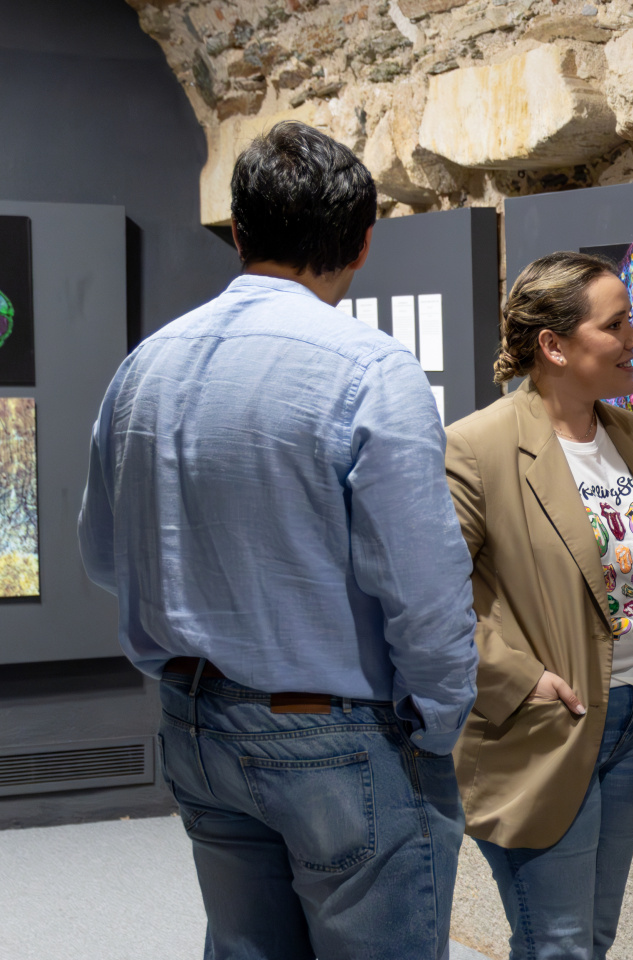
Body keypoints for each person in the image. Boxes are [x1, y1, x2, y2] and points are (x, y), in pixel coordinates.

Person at [77, 121, 477, 959]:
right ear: (364, 243)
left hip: (196, 722)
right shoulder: (371, 371)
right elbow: (425, 587)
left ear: (239, 229)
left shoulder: (144, 366)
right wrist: (437, 728)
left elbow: (104, 555)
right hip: (338, 736)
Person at [444, 251, 633, 960]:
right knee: (559, 945)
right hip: (545, 726)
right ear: (553, 346)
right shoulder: (476, 447)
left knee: (589, 939)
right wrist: (517, 680)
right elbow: (428, 602)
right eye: (616, 325)